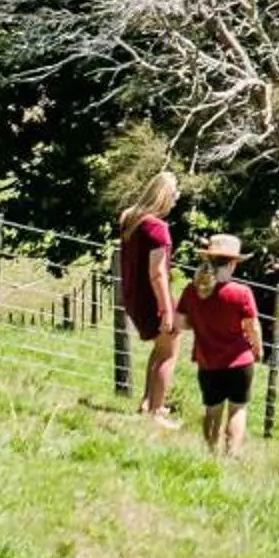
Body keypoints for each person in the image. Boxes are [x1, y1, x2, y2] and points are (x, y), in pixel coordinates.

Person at [175, 234, 262, 457]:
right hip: (239, 361)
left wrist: (202, 322)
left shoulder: (192, 291)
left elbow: (180, 323)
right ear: (233, 263)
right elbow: (253, 327)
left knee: (212, 410)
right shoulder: (241, 293)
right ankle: (231, 453)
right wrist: (258, 350)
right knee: (237, 408)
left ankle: (210, 453)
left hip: (207, 361)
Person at [114, 172, 180, 424]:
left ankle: (147, 402)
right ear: (165, 196)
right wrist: (167, 310)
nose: (175, 201)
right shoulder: (158, 228)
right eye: (174, 195)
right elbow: (158, 273)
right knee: (168, 354)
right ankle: (156, 411)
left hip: (133, 295)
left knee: (159, 349)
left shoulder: (130, 219)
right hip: (153, 299)